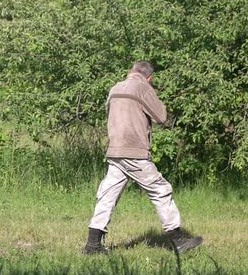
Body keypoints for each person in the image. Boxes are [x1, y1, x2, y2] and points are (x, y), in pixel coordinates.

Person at [83, 60, 202, 254]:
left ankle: (93, 244)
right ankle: (178, 239)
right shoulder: (142, 88)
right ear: (149, 77)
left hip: (115, 149)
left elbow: (109, 115)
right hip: (134, 151)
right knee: (160, 189)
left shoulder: (115, 88)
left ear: (130, 71)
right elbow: (161, 116)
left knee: (107, 195)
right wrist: (150, 93)